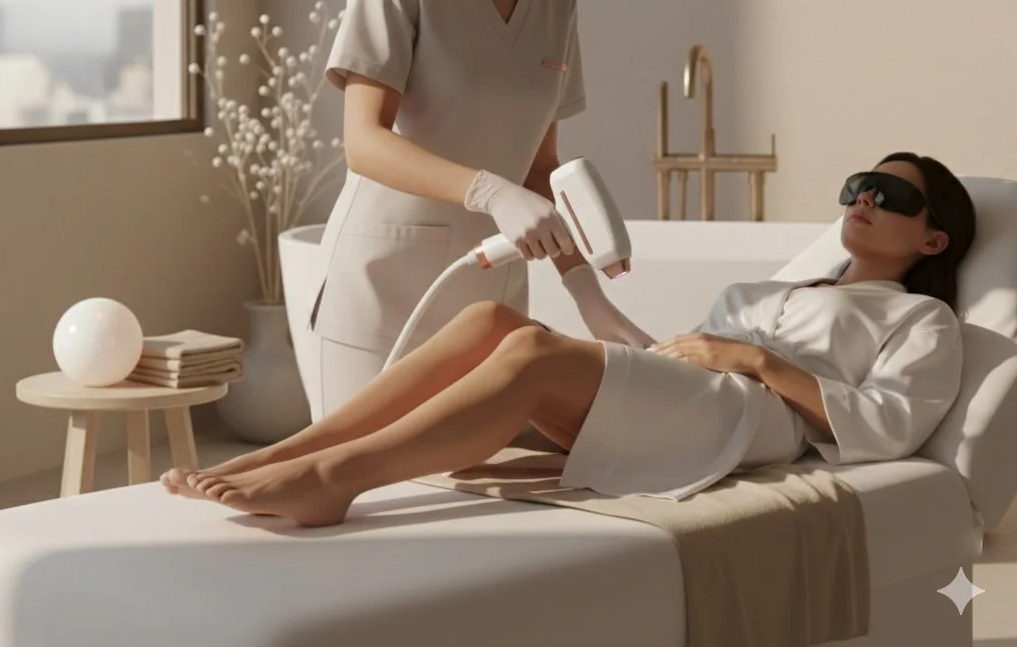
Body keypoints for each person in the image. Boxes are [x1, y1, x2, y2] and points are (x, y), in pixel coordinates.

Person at [162, 151, 976, 526]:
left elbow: (890, 426)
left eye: (890, 194)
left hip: (751, 420)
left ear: (933, 238)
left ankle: (335, 478)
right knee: (486, 321)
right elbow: (692, 359)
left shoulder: (919, 319)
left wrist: (753, 358)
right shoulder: (774, 287)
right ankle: (287, 452)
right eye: (858, 186)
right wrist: (668, 349)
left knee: (531, 354)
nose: (864, 199)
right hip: (694, 393)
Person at [299, 0, 613, 418]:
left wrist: (586, 291)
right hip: (383, 285)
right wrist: (490, 192)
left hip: (490, 295)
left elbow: (540, 168)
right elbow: (364, 143)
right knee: (346, 472)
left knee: (466, 479)